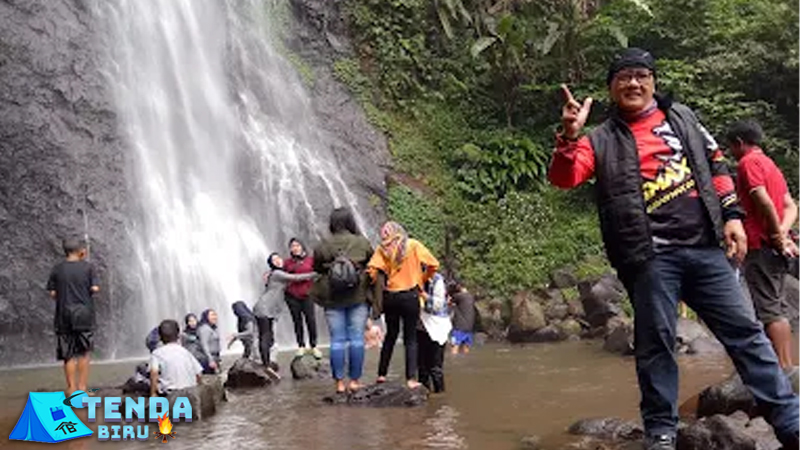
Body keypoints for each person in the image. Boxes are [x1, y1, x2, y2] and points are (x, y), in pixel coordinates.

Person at [548, 47, 799, 449]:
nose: (633, 82)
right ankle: (661, 432)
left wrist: (732, 215)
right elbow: (565, 177)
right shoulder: (600, 140)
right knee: (656, 345)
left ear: (653, 82)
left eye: (641, 75)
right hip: (647, 257)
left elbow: (716, 164)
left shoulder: (682, 117)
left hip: (704, 249)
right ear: (612, 88)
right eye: (624, 77)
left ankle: (791, 422)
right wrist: (569, 136)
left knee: (747, 334)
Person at [725, 119, 799, 369]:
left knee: (769, 310)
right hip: (774, 245)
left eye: (732, 147)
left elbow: (762, 199)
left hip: (760, 244)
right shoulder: (770, 164)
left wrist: (777, 235)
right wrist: (783, 234)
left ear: (739, 143)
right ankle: (787, 366)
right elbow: (790, 205)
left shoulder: (748, 163)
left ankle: (782, 370)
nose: (732, 153)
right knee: (776, 305)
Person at [367, 221, 439, 389]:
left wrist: (380, 283)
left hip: (390, 296)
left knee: (390, 336)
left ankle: (381, 375)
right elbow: (434, 264)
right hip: (410, 295)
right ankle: (411, 379)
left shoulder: (382, 249)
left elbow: (371, 271)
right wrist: (422, 279)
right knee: (411, 339)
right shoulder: (412, 245)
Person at [310, 207, 374, 393]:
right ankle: (354, 381)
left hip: (332, 297)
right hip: (358, 295)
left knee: (337, 340)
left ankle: (339, 383)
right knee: (356, 339)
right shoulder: (361, 242)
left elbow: (317, 267)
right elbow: (372, 263)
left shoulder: (324, 244)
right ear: (350, 221)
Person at [47, 238, 100, 395]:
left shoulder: (57, 269)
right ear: (81, 251)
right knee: (84, 351)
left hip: (63, 314)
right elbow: (95, 288)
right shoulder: (88, 268)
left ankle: (71, 388)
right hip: (83, 314)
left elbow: (53, 292)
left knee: (67, 353)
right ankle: (82, 388)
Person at [253, 253, 317, 378]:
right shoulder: (277, 274)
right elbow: (296, 278)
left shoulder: (275, 274)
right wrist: (316, 273)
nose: (277, 260)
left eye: (278, 258)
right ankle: (266, 366)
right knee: (265, 336)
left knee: (269, 337)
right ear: (271, 263)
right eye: (274, 260)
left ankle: (266, 364)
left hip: (269, 308)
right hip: (264, 307)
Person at [284, 238, 321, 359]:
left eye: (297, 245)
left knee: (311, 320)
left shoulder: (311, 260)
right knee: (297, 321)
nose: (295, 248)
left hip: (307, 295)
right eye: (292, 246)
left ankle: (314, 346)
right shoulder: (287, 263)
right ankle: (301, 345)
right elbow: (279, 273)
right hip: (292, 296)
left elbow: (319, 272)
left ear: (302, 247)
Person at [149, 319, 203, 398]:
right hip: (190, 390)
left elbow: (154, 373)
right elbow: (199, 374)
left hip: (170, 392)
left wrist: (153, 393)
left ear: (160, 337)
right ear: (178, 335)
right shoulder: (185, 351)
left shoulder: (157, 353)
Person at [418, 270, 451, 393]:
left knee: (435, 367)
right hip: (420, 327)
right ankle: (424, 400)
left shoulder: (437, 279)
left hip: (437, 328)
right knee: (421, 368)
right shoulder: (411, 277)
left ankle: (440, 398)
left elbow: (438, 305)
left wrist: (422, 294)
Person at [448, 280, 475, 355]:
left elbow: (448, 302)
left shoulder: (458, 296)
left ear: (459, 287)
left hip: (459, 327)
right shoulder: (471, 296)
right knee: (466, 348)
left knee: (455, 347)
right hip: (470, 327)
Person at [196, 309, 221, 374]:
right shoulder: (204, 328)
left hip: (214, 357)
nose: (215, 317)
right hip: (206, 359)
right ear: (206, 317)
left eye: (215, 315)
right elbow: (204, 345)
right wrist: (210, 360)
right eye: (212, 315)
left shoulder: (213, 328)